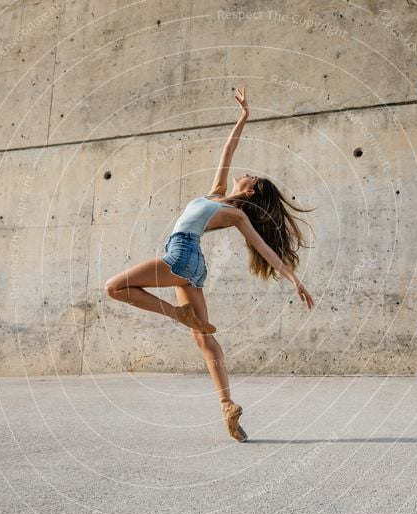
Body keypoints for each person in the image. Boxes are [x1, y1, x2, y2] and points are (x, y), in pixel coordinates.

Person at [104, 86, 315, 442]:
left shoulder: (234, 214)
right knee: (204, 338)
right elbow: (227, 149)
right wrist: (244, 116)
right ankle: (227, 406)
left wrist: (293, 278)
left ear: (249, 192)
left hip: (182, 254)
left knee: (113, 287)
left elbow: (264, 248)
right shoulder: (217, 193)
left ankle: (176, 314)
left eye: (251, 177)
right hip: (194, 266)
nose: (245, 172)